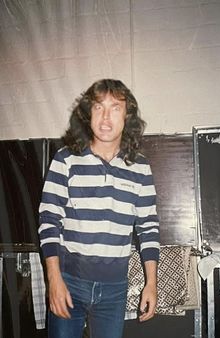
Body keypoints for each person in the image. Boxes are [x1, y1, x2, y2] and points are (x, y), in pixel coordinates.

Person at [38, 79, 160, 338]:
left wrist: (152, 283)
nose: (106, 118)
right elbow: (49, 220)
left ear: (127, 116)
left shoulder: (140, 168)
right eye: (98, 108)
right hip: (69, 281)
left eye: (115, 108)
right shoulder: (65, 159)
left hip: (115, 288)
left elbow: (148, 228)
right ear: (87, 113)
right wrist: (54, 280)